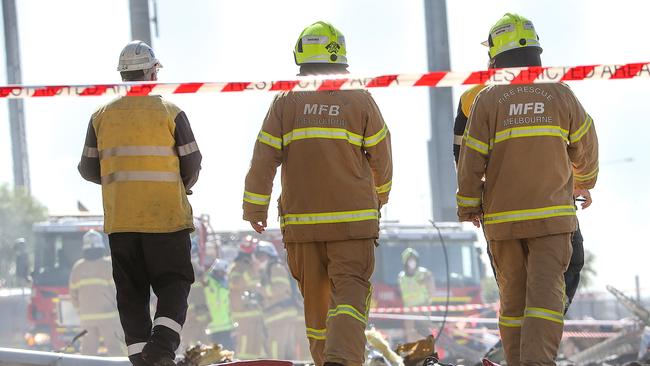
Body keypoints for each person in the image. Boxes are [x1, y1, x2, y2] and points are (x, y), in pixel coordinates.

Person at [242, 21, 393, 366]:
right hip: (353, 225)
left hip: (303, 226)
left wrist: (255, 207)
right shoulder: (360, 99)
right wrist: (380, 196)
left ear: (300, 57)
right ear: (340, 58)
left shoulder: (286, 101)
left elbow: (263, 156)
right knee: (350, 297)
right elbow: (382, 156)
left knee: (316, 307)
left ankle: (328, 360)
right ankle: (341, 360)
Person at [456, 13, 599, 366]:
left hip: (502, 221)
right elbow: (586, 143)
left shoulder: (487, 99)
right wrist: (584, 181)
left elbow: (469, 157)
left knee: (513, 301)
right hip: (551, 220)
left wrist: (469, 203)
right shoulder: (560, 93)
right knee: (546, 298)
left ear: (495, 55)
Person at [78, 40, 202, 366]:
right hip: (167, 222)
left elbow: (88, 169)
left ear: (122, 75)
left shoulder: (101, 117)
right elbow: (193, 163)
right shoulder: (170, 113)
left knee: (131, 296)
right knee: (174, 284)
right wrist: (181, 186)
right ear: (151, 73)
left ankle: (140, 360)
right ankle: (160, 352)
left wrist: (121, 184)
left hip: (122, 224)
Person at [68, 230, 125, 356]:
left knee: (88, 354)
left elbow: (73, 295)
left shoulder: (78, 268)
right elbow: (118, 291)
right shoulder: (108, 265)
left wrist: (81, 311)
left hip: (86, 320)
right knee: (116, 352)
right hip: (109, 318)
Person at [254, 241, 299, 359]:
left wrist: (261, 290)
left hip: (280, 314)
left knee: (275, 345)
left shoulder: (276, 267)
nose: (260, 259)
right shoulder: (267, 270)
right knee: (287, 348)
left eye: (262, 255)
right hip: (278, 314)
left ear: (270, 255)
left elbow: (281, 287)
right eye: (258, 256)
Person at [228, 238, 266, 359]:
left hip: (255, 314)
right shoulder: (237, 267)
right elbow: (235, 284)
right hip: (243, 315)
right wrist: (251, 271)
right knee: (244, 347)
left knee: (256, 347)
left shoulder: (252, 267)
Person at [397, 248, 436, 341]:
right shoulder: (401, 277)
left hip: (422, 309)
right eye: (409, 259)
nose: (411, 262)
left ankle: (428, 353)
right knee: (410, 334)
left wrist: (426, 304)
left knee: (424, 334)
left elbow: (432, 289)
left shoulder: (424, 273)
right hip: (409, 310)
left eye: (413, 259)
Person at [204, 258, 235, 350]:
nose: (224, 275)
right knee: (215, 354)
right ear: (216, 271)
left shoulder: (225, 284)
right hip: (213, 327)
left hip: (226, 326)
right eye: (222, 272)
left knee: (228, 352)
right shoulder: (208, 282)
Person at [180, 262, 210, 350]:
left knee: (195, 336)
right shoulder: (198, 281)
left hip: (196, 313)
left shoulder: (193, 282)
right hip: (197, 313)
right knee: (198, 336)